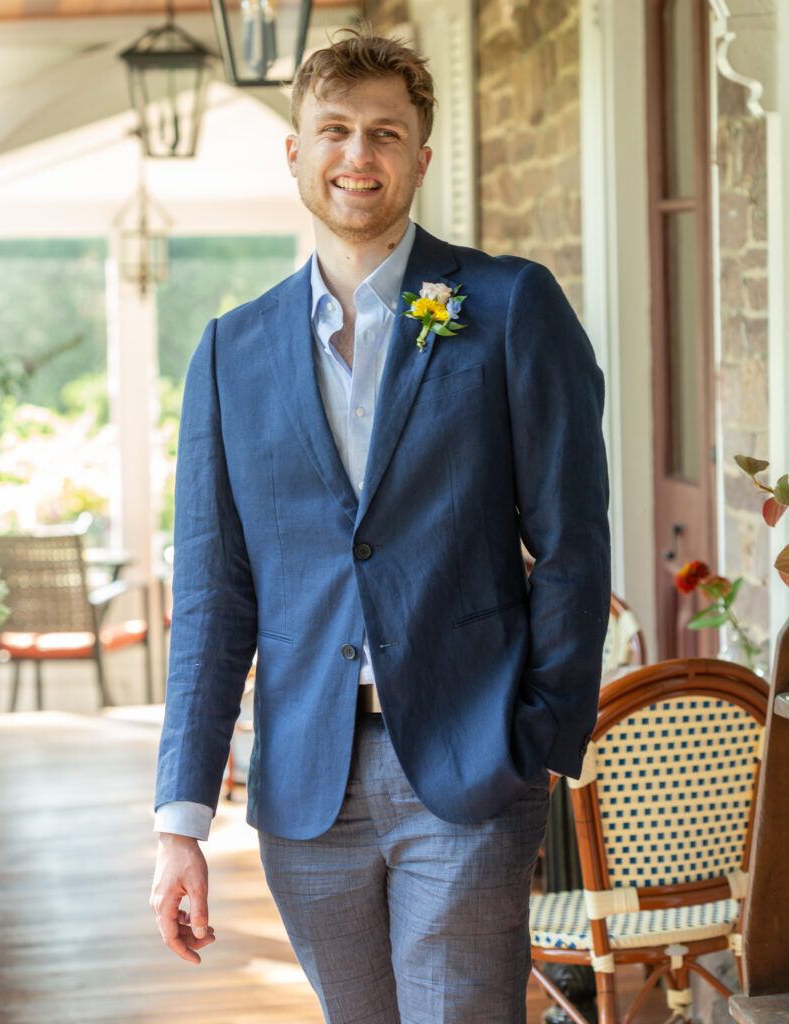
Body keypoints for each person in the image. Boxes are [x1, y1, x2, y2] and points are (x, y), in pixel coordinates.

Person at [150, 30, 611, 1024]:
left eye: (385, 134)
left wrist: (538, 732)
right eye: (336, 131)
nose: (359, 156)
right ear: (295, 151)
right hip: (306, 784)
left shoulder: (506, 305)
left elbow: (572, 540)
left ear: (422, 158)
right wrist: (179, 819)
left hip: (469, 759)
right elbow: (211, 596)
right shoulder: (231, 353)